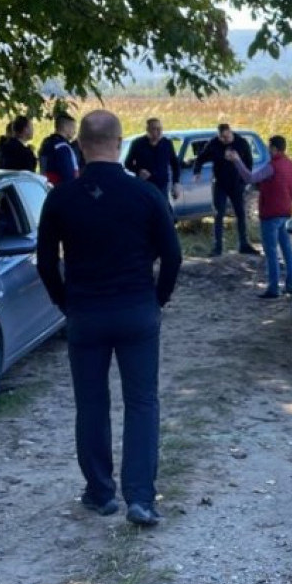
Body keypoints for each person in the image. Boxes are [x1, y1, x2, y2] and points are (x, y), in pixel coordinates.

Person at [36, 109, 182, 528]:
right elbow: (172, 255)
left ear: (80, 145)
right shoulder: (145, 195)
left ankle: (100, 492)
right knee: (141, 403)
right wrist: (159, 298)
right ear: (120, 144)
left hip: (85, 312)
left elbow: (46, 263)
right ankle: (140, 497)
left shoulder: (61, 198)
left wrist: (65, 303)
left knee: (91, 403)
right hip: (136, 309)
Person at [226, 134, 292, 298]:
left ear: (273, 148)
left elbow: (250, 177)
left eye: (269, 147)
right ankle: (290, 284)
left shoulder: (272, 166)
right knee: (287, 249)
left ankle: (274, 287)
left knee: (271, 251)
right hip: (286, 211)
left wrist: (237, 160)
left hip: (271, 213)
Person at [192, 123, 257, 256]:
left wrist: (244, 181)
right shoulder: (214, 143)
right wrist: (197, 171)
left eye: (226, 137)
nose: (224, 140)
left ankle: (244, 244)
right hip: (220, 184)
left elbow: (249, 163)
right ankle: (218, 247)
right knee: (218, 214)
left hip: (236, 183)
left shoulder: (241, 143)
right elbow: (201, 158)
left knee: (240, 213)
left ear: (230, 132)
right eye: (222, 138)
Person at [125, 118, 183, 201]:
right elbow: (127, 163)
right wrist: (138, 170)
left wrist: (176, 183)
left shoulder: (166, 143)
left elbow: (175, 164)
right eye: (155, 129)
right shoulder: (138, 144)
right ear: (148, 130)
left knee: (163, 211)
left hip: (162, 187)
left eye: (160, 129)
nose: (159, 132)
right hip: (145, 186)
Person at [38, 113, 80, 185]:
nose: (75, 132)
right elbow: (68, 173)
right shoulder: (62, 147)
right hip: (61, 188)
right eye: (73, 128)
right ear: (66, 128)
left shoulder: (47, 143)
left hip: (46, 186)